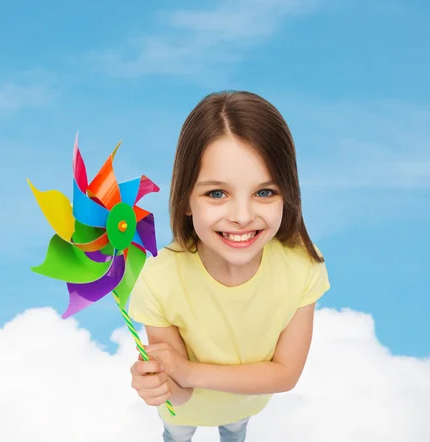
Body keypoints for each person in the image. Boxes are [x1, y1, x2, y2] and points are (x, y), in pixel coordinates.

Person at [127, 90, 330, 442]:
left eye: (265, 192)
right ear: (186, 199)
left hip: (246, 406)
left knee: (236, 428)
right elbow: (182, 393)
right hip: (184, 412)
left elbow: (285, 375)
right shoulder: (159, 279)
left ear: (288, 193)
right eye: (217, 193)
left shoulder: (302, 269)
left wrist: (188, 371)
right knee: (177, 432)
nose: (241, 216)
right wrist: (160, 383)